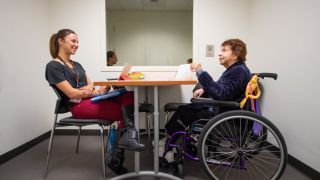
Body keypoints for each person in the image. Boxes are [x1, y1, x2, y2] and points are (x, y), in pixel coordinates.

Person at [45, 29, 145, 175]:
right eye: (73, 41)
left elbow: (91, 83)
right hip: (78, 106)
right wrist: (96, 92)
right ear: (60, 41)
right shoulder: (53, 66)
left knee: (129, 96)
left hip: (90, 99)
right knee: (124, 112)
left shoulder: (76, 64)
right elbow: (71, 93)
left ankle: (127, 138)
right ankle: (117, 157)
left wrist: (91, 90)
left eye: (77, 41)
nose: (77, 44)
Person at [165, 39, 251, 135]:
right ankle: (174, 140)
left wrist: (200, 71)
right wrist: (203, 89)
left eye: (224, 50)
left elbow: (222, 94)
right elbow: (220, 88)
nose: (219, 54)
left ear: (235, 55)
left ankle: (170, 141)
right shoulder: (235, 70)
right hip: (220, 109)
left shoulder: (239, 71)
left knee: (183, 111)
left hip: (222, 113)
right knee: (186, 109)